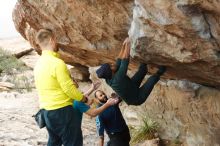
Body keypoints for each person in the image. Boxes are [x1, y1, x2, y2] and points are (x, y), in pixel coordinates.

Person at [34, 28, 90, 146]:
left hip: (46, 112)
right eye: (55, 39)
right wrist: (83, 98)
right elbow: (68, 89)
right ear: (51, 39)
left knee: (54, 142)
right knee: (73, 143)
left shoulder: (38, 64)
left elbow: (48, 86)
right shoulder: (57, 63)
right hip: (62, 111)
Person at [96, 38, 166, 105]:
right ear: (111, 71)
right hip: (137, 98)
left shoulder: (108, 77)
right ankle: (159, 73)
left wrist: (123, 45)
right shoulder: (118, 79)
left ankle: (145, 62)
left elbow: (119, 59)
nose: (112, 64)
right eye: (111, 66)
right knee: (152, 79)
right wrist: (128, 43)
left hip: (131, 86)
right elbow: (125, 59)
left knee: (142, 71)